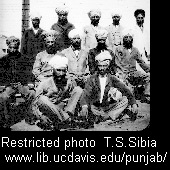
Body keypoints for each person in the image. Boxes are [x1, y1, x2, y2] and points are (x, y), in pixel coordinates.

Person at [79, 51, 138, 125]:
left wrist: (134, 104)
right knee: (90, 108)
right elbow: (86, 93)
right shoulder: (92, 78)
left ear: (108, 66)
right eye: (100, 66)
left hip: (108, 106)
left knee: (125, 100)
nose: (102, 68)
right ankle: (105, 116)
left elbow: (125, 90)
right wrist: (84, 106)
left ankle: (108, 116)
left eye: (104, 66)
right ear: (97, 66)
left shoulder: (112, 78)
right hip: (95, 107)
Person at [33, 54, 83, 130]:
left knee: (78, 89)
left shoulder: (69, 82)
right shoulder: (44, 83)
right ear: (52, 70)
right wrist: (40, 116)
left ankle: (62, 120)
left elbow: (73, 98)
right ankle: (67, 120)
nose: (61, 73)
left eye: (63, 70)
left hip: (62, 108)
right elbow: (35, 104)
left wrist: (83, 107)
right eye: (58, 70)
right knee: (42, 99)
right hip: (50, 110)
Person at [0, 36, 35, 128]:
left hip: (21, 85)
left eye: (15, 47)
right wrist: (3, 85)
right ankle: (6, 119)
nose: (12, 49)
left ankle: (29, 116)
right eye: (10, 47)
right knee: (3, 97)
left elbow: (29, 74)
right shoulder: (3, 60)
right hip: (9, 86)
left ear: (18, 47)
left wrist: (29, 83)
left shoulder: (25, 59)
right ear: (8, 46)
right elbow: (1, 76)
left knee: (32, 93)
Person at [114, 28, 150, 103]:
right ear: (123, 39)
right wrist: (121, 74)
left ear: (132, 39)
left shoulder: (135, 50)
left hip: (134, 73)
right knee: (128, 95)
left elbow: (141, 62)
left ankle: (147, 95)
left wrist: (148, 69)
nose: (128, 39)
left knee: (148, 77)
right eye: (126, 37)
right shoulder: (119, 49)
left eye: (129, 37)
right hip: (124, 74)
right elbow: (117, 63)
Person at [20, 12, 45, 83]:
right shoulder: (27, 32)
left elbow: (45, 47)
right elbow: (23, 47)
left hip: (39, 59)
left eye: (37, 20)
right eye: (34, 20)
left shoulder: (43, 32)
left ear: (39, 21)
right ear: (31, 21)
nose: (35, 22)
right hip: (29, 58)